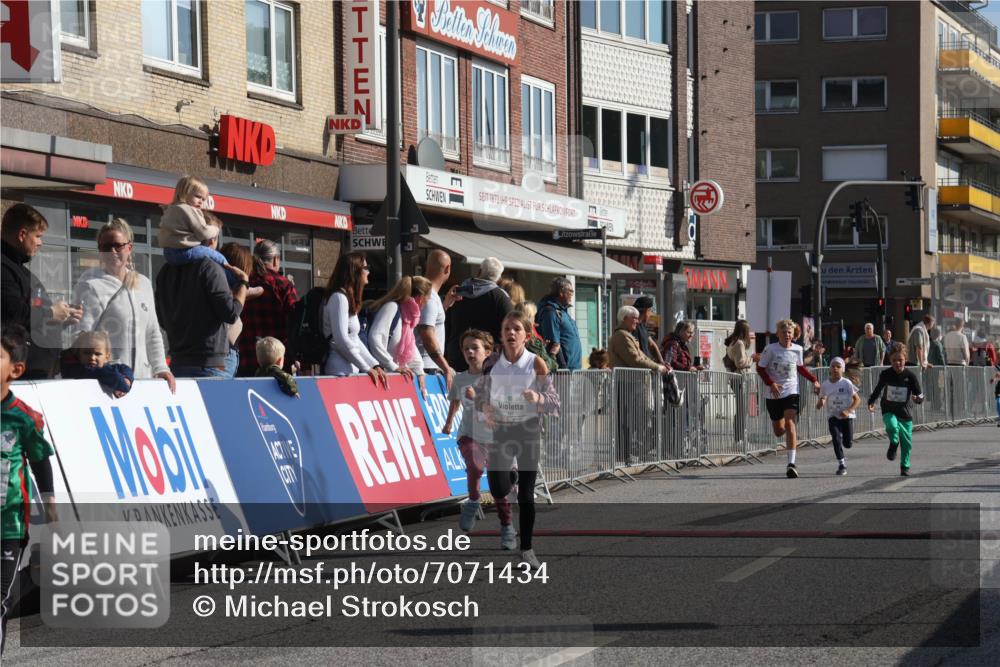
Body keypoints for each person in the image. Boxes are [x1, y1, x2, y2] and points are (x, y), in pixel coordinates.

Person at [473, 311, 559, 569]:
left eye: (516, 329)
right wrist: (484, 408)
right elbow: (480, 396)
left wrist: (538, 398)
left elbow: (555, 403)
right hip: (501, 430)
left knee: (526, 496)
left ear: (526, 335)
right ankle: (510, 480)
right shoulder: (491, 364)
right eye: (506, 329)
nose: (511, 333)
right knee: (497, 487)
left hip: (528, 430)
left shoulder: (536, 364)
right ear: (501, 334)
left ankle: (527, 549)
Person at [1, 325, 58, 654]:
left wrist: (50, 505)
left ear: (15, 370)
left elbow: (40, 461)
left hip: (9, 525)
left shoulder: (23, 418)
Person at [72, 218, 175, 392]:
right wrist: (107, 373)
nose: (112, 252)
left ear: (129, 248)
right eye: (105, 247)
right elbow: (79, 337)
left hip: (142, 381)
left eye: (118, 246)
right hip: (108, 385)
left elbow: (152, 332)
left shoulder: (143, 283)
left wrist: (161, 368)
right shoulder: (90, 284)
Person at [442, 330, 515, 549]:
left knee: (499, 491)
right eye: (466, 349)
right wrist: (448, 421)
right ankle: (473, 501)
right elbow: (455, 401)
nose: (470, 352)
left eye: (475, 348)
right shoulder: (461, 379)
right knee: (474, 465)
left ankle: (507, 528)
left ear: (488, 352)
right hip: (469, 434)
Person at [155, 211, 249, 378]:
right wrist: (243, 283)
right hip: (209, 363)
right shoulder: (210, 267)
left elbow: (162, 319)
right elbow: (231, 313)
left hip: (178, 361)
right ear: (211, 238)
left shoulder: (165, 271)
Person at [1, 203, 82, 378]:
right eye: (37, 236)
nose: (40, 243)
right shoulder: (4, 268)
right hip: (20, 375)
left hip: (37, 371)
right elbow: (13, 315)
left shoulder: (19, 269)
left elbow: (33, 317)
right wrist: (51, 313)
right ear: (22, 235)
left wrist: (62, 319)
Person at [756, 318, 821, 479]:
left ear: (793, 335)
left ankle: (791, 464)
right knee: (778, 431)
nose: (787, 335)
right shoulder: (770, 349)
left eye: (789, 332)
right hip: (773, 393)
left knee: (790, 421)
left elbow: (800, 368)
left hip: (791, 390)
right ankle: (787, 433)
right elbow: (761, 368)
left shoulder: (797, 349)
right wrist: (771, 384)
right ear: (778, 333)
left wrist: (814, 379)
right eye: (784, 332)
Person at [608, 305, 668, 464]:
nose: (637, 321)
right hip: (627, 382)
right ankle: (625, 454)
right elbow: (635, 359)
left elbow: (642, 356)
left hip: (633, 382)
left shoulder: (627, 335)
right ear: (624, 319)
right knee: (628, 420)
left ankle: (631, 453)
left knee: (635, 419)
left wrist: (657, 365)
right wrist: (657, 367)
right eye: (634, 318)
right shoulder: (621, 336)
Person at [158, 176, 239, 286]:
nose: (201, 202)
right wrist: (216, 230)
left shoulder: (170, 209)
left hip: (168, 253)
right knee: (218, 257)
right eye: (198, 197)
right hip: (183, 252)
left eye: (204, 199)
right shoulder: (189, 210)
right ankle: (236, 284)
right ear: (185, 193)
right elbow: (203, 232)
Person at [321, 252, 387, 385]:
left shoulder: (347, 298)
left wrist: (374, 365)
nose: (368, 272)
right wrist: (366, 367)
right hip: (338, 371)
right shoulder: (339, 298)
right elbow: (341, 340)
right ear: (354, 271)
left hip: (349, 370)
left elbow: (354, 339)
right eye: (365, 268)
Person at [237, 238, 299, 376]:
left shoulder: (243, 282)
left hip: (247, 357)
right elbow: (295, 320)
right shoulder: (283, 284)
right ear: (276, 259)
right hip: (277, 359)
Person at [445, 257, 513, 372]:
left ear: (479, 271)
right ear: (499, 278)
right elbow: (509, 327)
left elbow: (447, 323)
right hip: (487, 359)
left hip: (457, 355)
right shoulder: (500, 297)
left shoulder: (458, 292)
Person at [367, 275, 432, 394]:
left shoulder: (408, 317)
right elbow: (374, 338)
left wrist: (420, 372)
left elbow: (411, 346)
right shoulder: (392, 308)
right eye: (427, 300)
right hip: (377, 376)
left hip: (388, 377)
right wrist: (393, 366)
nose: (425, 305)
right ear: (420, 298)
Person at [868, 343, 924, 476]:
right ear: (890, 360)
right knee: (892, 427)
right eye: (894, 360)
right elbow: (878, 389)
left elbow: (920, 394)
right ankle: (893, 442)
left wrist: (918, 399)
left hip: (905, 412)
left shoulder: (910, 376)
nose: (897, 363)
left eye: (900, 360)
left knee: (906, 443)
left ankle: (905, 466)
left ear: (905, 359)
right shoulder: (886, 374)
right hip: (889, 409)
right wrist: (871, 401)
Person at [416, 249, 457, 389]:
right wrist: (446, 367)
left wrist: (445, 305)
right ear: (447, 269)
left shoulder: (430, 296)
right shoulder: (430, 297)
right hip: (427, 369)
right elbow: (426, 334)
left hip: (426, 367)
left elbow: (428, 322)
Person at [816, 357, 861, 476]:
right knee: (836, 439)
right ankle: (842, 464)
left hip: (846, 417)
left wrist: (848, 410)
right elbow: (821, 402)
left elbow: (857, 400)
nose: (835, 368)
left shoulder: (846, 383)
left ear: (842, 369)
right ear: (829, 368)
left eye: (838, 366)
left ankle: (845, 439)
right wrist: (820, 402)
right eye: (833, 366)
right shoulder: (825, 384)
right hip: (833, 416)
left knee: (848, 444)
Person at [219, 240, 256, 378]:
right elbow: (232, 316)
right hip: (225, 355)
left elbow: (259, 290)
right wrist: (243, 283)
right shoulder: (225, 290)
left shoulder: (212, 283)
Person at [61, 330, 134, 397]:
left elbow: (123, 368)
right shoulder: (76, 370)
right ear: (78, 354)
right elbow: (106, 374)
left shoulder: (105, 368)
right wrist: (124, 385)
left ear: (107, 357)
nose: (92, 357)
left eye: (97, 354)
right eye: (86, 353)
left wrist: (127, 378)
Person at [724, 319, 759, 445]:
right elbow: (740, 363)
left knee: (740, 409)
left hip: (735, 379)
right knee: (742, 410)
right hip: (740, 378)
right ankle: (740, 439)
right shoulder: (739, 343)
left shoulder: (732, 342)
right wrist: (752, 359)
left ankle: (738, 438)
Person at [536, 276, 583, 370]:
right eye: (570, 291)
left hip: (573, 369)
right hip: (562, 371)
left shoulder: (563, 312)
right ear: (561, 292)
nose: (572, 294)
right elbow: (553, 343)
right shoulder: (550, 312)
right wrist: (563, 368)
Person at [632, 296, 664, 365]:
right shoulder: (632, 326)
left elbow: (652, 344)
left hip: (646, 367)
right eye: (650, 311)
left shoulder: (642, 326)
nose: (650, 315)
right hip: (639, 367)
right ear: (647, 310)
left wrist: (662, 362)